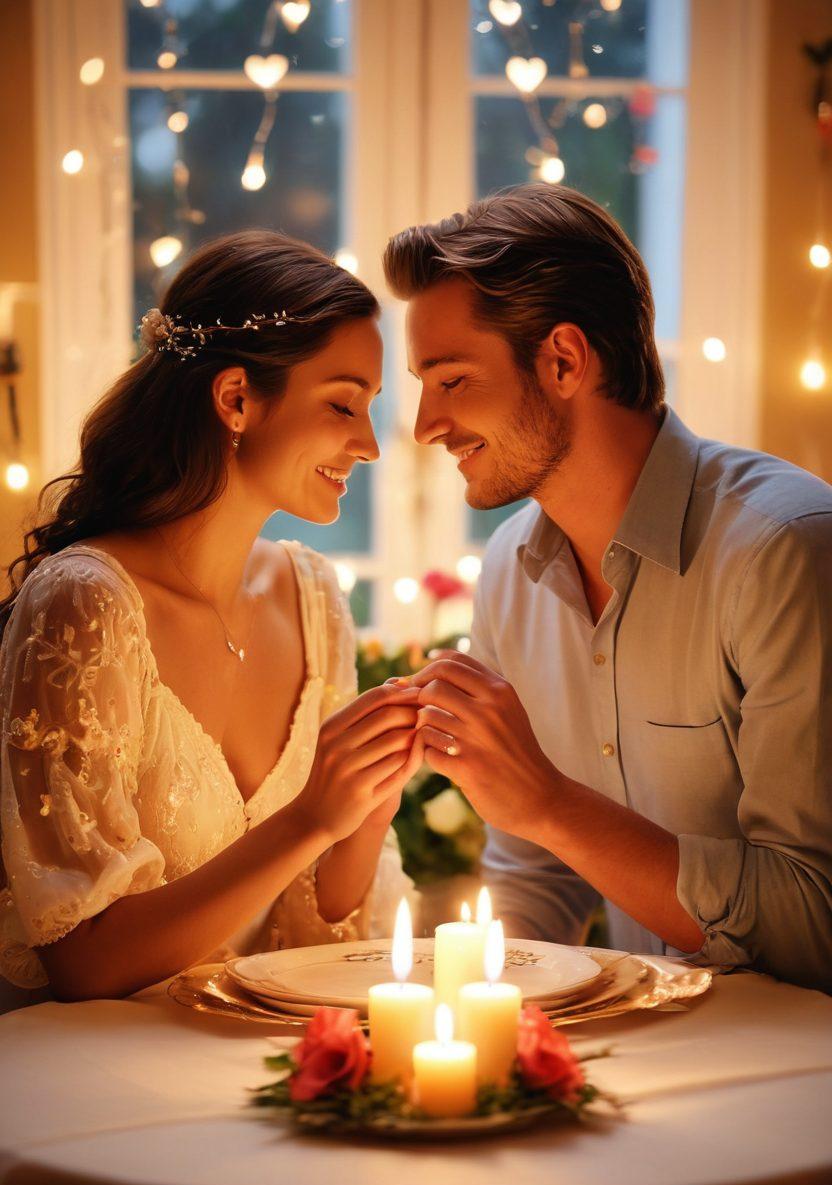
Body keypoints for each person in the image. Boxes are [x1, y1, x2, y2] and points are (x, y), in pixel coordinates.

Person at [383, 182, 832, 993]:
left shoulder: (785, 551)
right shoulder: (509, 574)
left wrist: (551, 803)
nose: (424, 426)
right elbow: (537, 881)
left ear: (562, 360)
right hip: (646, 1069)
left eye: (449, 381)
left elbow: (819, 919)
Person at [0, 230, 420, 1008]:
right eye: (342, 404)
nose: (368, 445)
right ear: (235, 399)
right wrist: (307, 819)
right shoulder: (85, 603)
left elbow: (310, 946)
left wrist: (365, 809)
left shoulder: (312, 595)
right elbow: (83, 966)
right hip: (90, 1092)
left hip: (245, 1076)